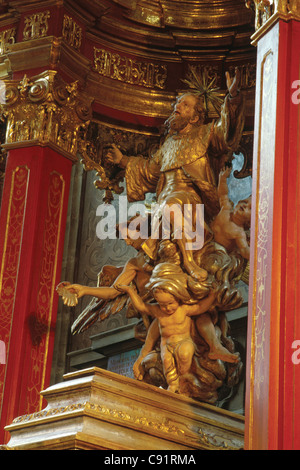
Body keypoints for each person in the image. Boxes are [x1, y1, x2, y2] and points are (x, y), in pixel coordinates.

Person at [106, 69, 245, 281]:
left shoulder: (206, 133)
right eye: (177, 104)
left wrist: (232, 98)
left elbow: (226, 129)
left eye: (184, 105)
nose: (177, 107)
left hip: (191, 200)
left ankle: (189, 262)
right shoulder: (167, 145)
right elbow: (149, 170)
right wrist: (122, 160)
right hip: (164, 201)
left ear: (196, 116)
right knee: (155, 214)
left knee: (170, 207)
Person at [116, 281, 239, 393]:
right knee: (167, 363)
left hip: (184, 342)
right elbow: (141, 306)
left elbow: (201, 307)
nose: (167, 308)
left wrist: (212, 296)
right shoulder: (158, 312)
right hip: (166, 345)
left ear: (178, 298)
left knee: (185, 355)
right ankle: (173, 384)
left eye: (170, 303)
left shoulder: (183, 310)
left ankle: (184, 378)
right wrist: (130, 291)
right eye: (163, 304)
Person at [210, 166, 251, 259]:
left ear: (251, 220)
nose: (245, 205)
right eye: (245, 202)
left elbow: (244, 250)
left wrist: (258, 254)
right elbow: (223, 194)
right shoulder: (226, 209)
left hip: (218, 252)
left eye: (250, 208)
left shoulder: (239, 233)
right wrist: (223, 178)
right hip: (206, 238)